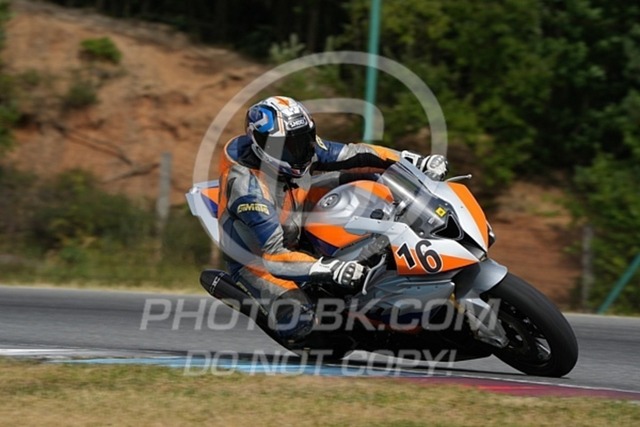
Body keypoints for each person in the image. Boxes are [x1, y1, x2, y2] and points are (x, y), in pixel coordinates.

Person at [216, 95, 448, 346]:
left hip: (295, 205)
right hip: (258, 259)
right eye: (288, 146)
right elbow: (274, 256)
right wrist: (330, 269)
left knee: (367, 175)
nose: (301, 151)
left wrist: (414, 161)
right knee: (303, 324)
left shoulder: (304, 151)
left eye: (304, 139)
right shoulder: (248, 190)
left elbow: (355, 153)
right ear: (262, 145)